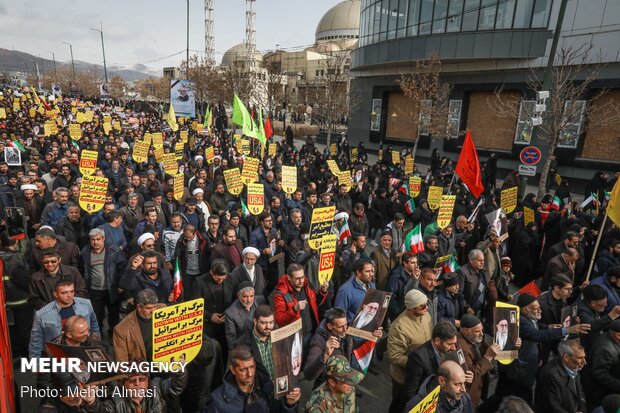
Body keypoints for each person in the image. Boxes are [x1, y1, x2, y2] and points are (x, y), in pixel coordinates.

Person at [492, 293, 590, 406]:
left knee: (502, 396)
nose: (540, 311)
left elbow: (535, 326)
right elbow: (535, 334)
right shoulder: (521, 321)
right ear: (525, 309)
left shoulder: (527, 317)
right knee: (515, 398)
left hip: (523, 369)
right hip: (518, 371)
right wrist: (566, 330)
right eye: (536, 308)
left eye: (539, 307)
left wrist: (547, 327)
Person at [205, 345, 301, 413]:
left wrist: (289, 404)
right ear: (233, 370)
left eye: (252, 367)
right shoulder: (217, 400)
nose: (250, 374)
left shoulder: (268, 388)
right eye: (243, 370)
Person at [80, 359, 188, 412]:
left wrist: (179, 372)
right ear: (124, 384)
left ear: (147, 381)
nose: (137, 383)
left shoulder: (157, 387)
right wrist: (91, 402)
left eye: (141, 379)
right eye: (132, 380)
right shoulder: (116, 401)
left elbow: (176, 387)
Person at [387, 289, 433, 413]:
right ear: (411, 308)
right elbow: (395, 356)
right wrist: (418, 363)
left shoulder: (426, 316)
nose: (426, 308)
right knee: (399, 405)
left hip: (422, 374)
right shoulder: (399, 327)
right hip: (403, 377)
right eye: (422, 306)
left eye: (427, 303)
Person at [29, 280, 99, 358]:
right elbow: (35, 342)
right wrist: (36, 366)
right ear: (56, 294)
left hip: (85, 351)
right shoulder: (42, 314)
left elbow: (94, 326)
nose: (69, 295)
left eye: (72, 291)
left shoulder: (86, 304)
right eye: (64, 293)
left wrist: (96, 347)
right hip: (59, 356)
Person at [80, 227, 126, 334]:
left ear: (103, 238)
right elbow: (82, 270)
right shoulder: (85, 253)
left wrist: (121, 285)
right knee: (97, 316)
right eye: (92, 240)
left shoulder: (113, 250)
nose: (95, 242)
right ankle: (97, 338)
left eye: (98, 239)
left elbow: (122, 268)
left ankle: (114, 336)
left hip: (112, 289)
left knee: (114, 315)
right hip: (95, 291)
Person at [403, 320, 461, 402]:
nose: (454, 348)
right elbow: (410, 392)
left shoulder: (446, 351)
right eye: (449, 344)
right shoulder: (418, 358)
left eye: (454, 344)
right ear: (437, 341)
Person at [534, 340, 587, 413]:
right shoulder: (550, 375)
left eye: (584, 357)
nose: (584, 362)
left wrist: (582, 410)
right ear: (566, 357)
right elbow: (552, 406)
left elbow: (580, 393)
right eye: (580, 358)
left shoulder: (573, 365)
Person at [404, 360, 475, 413]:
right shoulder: (420, 406)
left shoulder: (465, 398)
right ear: (442, 381)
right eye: (457, 384)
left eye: (464, 383)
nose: (464, 390)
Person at [583, 319, 620, 409]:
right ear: (613, 333)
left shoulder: (612, 339)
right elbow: (600, 374)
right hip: (601, 392)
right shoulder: (605, 349)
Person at [577, 284, 620, 352]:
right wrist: (611, 315)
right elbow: (591, 326)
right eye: (604, 303)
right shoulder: (581, 310)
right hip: (589, 348)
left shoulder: (593, 306)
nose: (606, 305)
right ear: (593, 303)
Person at [224, 282, 267, 349]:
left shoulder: (261, 300)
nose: (249, 300)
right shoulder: (230, 313)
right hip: (244, 348)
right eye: (245, 297)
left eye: (251, 296)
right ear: (238, 295)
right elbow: (231, 340)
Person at [388, 252, 421, 321]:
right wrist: (398, 312)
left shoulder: (414, 274)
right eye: (412, 263)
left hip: (409, 309)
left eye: (416, 263)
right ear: (405, 263)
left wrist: (415, 280)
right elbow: (391, 296)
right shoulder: (396, 276)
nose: (416, 266)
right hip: (399, 312)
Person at [250, 305, 276, 379]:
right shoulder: (244, 343)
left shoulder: (278, 335)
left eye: (271, 322)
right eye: (264, 323)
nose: (268, 326)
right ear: (255, 321)